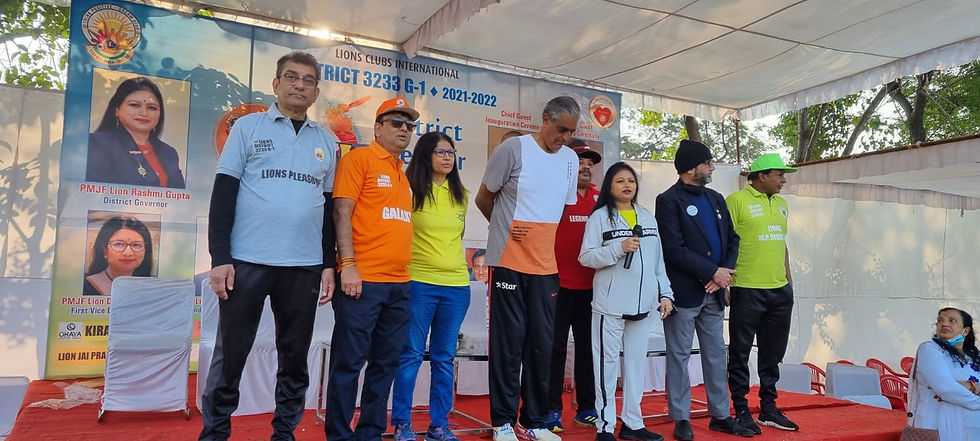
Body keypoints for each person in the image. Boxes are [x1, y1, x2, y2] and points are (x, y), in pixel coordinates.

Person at [199, 51, 338, 441]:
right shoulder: (248, 128)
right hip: (247, 261)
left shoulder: (327, 141)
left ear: (315, 92)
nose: (299, 85)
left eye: (308, 80)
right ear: (276, 84)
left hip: (304, 266)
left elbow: (329, 209)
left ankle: (284, 434)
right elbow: (223, 195)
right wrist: (220, 257)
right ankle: (214, 434)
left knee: (294, 359)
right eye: (291, 77)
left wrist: (328, 263)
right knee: (231, 355)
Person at [475, 96, 580, 441]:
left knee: (542, 345)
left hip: (545, 267)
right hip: (508, 261)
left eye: (571, 131)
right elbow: (484, 198)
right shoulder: (513, 149)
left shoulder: (570, 160)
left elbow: (559, 209)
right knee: (508, 344)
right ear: (545, 119)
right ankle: (503, 422)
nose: (565, 137)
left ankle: (534, 422)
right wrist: (504, 229)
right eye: (561, 129)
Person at [326, 96, 417, 441]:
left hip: (399, 284)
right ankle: (339, 435)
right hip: (362, 281)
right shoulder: (359, 159)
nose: (404, 129)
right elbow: (341, 212)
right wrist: (348, 265)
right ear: (377, 128)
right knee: (349, 364)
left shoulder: (401, 173)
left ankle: (370, 433)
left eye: (409, 125)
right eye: (396, 123)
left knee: (385, 364)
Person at [654, 140, 753, 440]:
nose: (712, 168)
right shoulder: (668, 200)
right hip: (684, 294)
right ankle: (681, 417)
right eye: (707, 163)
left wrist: (723, 274)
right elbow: (673, 249)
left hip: (714, 293)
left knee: (716, 356)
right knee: (679, 356)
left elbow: (733, 239)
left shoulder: (716, 198)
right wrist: (712, 272)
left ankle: (721, 415)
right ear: (690, 168)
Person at [578, 162, 673, 441]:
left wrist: (665, 293)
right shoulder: (600, 218)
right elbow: (586, 257)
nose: (627, 185)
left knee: (635, 367)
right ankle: (605, 426)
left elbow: (658, 262)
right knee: (606, 367)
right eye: (620, 181)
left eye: (631, 180)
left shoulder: (647, 217)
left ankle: (632, 423)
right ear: (609, 186)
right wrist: (617, 249)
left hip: (643, 307)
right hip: (610, 307)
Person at [390, 132, 470, 441]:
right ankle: (402, 423)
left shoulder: (461, 194)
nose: (448, 157)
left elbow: (457, 236)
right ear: (426, 155)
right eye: (441, 152)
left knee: (443, 358)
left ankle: (439, 425)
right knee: (411, 354)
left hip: (456, 286)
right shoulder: (408, 190)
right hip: (419, 283)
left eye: (451, 152)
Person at [725, 153, 799, 433]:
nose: (783, 180)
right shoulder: (736, 201)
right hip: (746, 287)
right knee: (740, 352)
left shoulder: (781, 204)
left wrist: (789, 283)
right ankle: (741, 409)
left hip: (779, 291)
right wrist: (726, 282)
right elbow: (725, 243)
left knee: (772, 354)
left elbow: (782, 244)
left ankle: (769, 408)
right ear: (762, 176)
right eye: (779, 175)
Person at [545, 139, 602, 432]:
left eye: (590, 164)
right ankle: (551, 409)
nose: (586, 168)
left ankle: (587, 408)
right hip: (557, 285)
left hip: (592, 289)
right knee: (554, 349)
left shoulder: (600, 199)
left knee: (589, 349)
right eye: (581, 162)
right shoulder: (556, 195)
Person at [87, 76, 186, 188]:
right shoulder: (97, 143)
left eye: (152, 108)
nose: (144, 113)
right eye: (135, 105)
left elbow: (180, 194)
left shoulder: (169, 152)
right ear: (117, 110)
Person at [908, 307, 980, 440]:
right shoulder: (930, 349)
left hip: (973, 428)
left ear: (966, 331)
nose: (944, 324)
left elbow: (951, 388)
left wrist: (970, 386)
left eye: (952, 320)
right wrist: (975, 392)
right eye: (940, 320)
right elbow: (946, 389)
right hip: (937, 427)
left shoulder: (974, 356)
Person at [83, 216, 154, 295]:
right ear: (105, 250)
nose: (128, 253)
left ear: (145, 251)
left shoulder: (152, 286)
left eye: (136, 245)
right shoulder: (86, 286)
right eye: (119, 244)